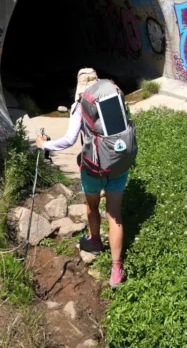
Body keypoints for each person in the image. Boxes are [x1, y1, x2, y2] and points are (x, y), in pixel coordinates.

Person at [36, 75, 127, 289]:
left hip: (93, 167)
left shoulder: (80, 105)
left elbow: (69, 139)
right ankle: (116, 270)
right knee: (115, 214)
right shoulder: (115, 96)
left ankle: (95, 240)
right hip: (118, 163)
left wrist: (44, 145)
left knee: (92, 206)